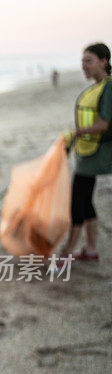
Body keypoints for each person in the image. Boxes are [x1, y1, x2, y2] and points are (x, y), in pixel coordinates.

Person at [59, 43, 111, 263]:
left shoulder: (108, 88)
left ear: (104, 61)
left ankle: (67, 251)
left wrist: (77, 133)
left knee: (77, 201)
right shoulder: (97, 87)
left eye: (89, 61)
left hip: (97, 152)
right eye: (82, 61)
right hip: (87, 152)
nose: (84, 66)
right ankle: (90, 250)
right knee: (85, 199)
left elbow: (105, 123)